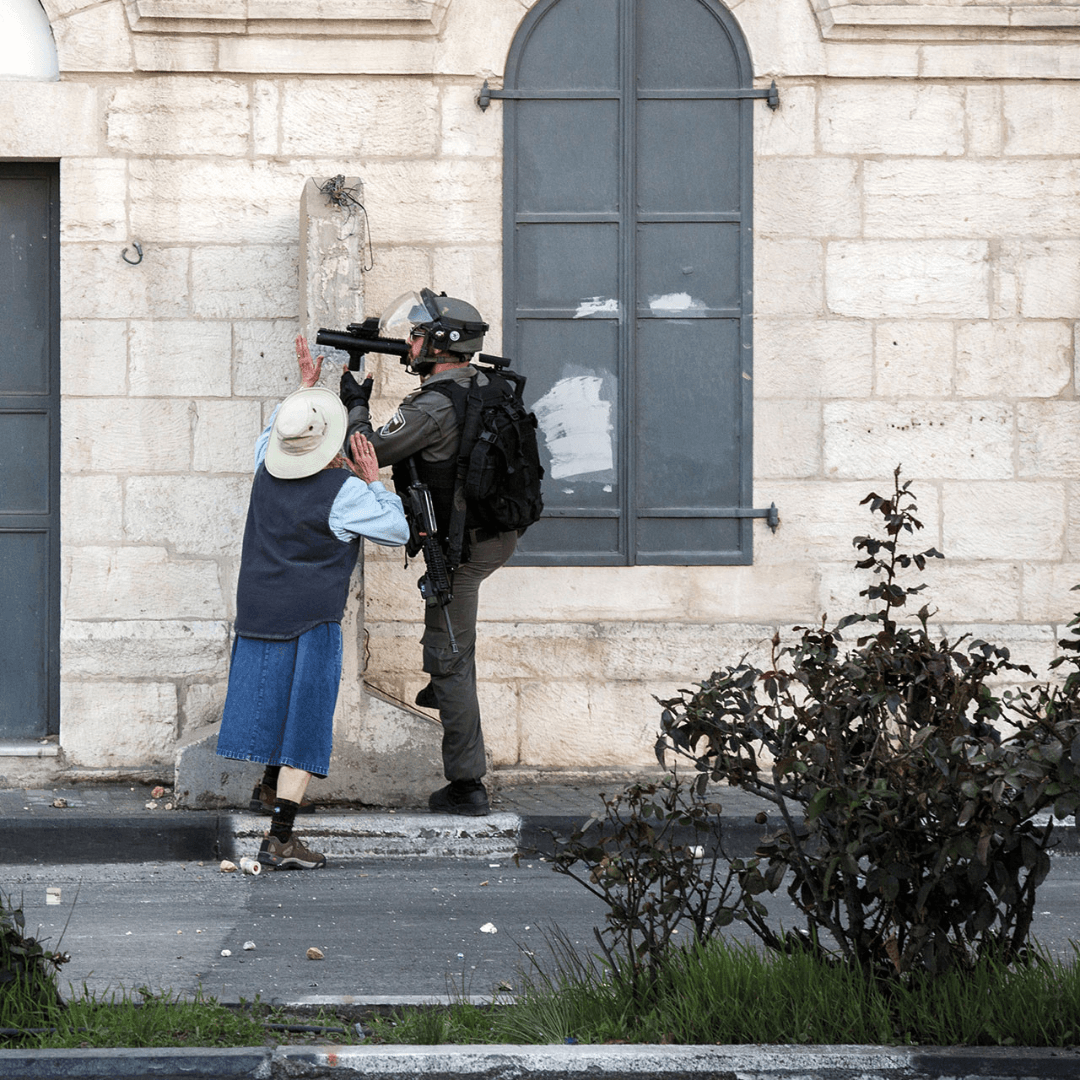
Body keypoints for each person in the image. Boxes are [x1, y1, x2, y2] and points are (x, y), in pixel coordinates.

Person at [216, 336, 409, 870]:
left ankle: (265, 787)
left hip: (258, 611)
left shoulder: (263, 470)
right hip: (311, 618)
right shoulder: (344, 493)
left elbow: (272, 436)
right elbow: (396, 530)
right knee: (305, 721)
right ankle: (280, 839)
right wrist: (374, 481)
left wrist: (304, 389)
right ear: (334, 445)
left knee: (269, 702)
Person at [339, 290, 517, 817]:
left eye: (417, 335)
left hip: (462, 545)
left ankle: (468, 785)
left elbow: (364, 450)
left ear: (440, 344)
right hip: (491, 533)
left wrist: (354, 403)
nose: (409, 343)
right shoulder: (488, 384)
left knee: (451, 657)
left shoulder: (434, 405)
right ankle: (445, 687)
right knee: (446, 639)